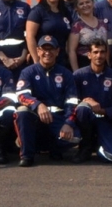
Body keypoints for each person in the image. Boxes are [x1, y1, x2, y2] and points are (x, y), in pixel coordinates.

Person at [14, 35, 78, 167]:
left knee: (75, 138)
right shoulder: (28, 72)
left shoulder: (66, 74)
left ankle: (54, 148)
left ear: (57, 51)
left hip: (57, 118)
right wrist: (38, 105)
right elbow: (21, 95)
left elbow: (72, 102)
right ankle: (27, 155)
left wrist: (68, 123)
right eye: (44, 49)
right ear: (38, 51)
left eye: (51, 49)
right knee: (22, 112)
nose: (47, 53)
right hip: (36, 117)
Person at [71, 38, 112, 163]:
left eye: (102, 52)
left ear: (106, 54)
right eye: (95, 52)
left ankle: (102, 143)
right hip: (85, 119)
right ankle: (85, 147)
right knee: (83, 108)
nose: (99, 55)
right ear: (89, 55)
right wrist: (86, 102)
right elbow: (71, 102)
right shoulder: (78, 75)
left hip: (107, 119)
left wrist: (103, 111)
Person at [25, 0, 75, 68]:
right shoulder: (37, 11)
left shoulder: (65, 12)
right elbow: (30, 37)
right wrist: (37, 61)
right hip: (43, 61)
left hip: (61, 61)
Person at [69, 0, 109, 70]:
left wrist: (108, 65)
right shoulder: (77, 26)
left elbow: (106, 47)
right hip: (84, 65)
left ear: (93, 3)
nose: (85, 5)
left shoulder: (102, 23)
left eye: (87, 2)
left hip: (102, 65)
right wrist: (76, 72)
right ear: (76, 8)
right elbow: (71, 51)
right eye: (81, 4)